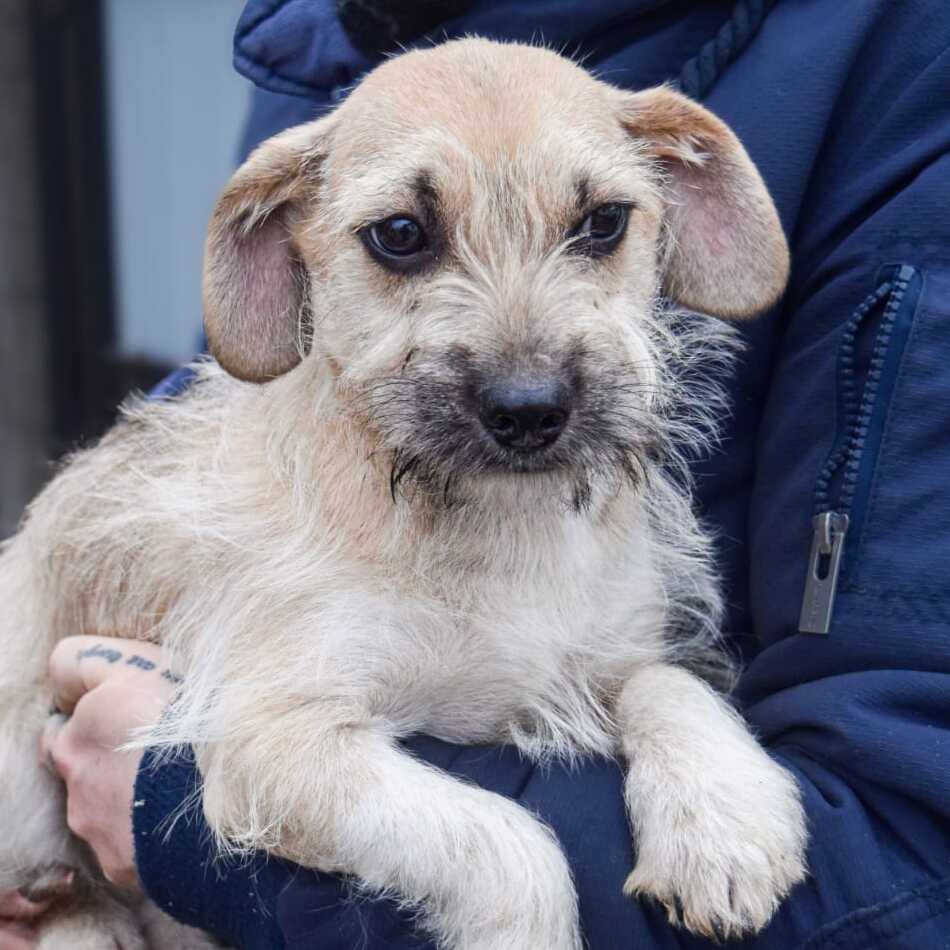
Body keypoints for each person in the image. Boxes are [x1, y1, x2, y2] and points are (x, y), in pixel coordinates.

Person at [6, 0, 950, 946]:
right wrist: (506, 880)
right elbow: (279, 752)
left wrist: (678, 724)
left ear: (679, 199)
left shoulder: (899, 60)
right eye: (403, 239)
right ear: (285, 239)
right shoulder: (325, 45)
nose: (527, 380)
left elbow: (622, 684)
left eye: (597, 227)